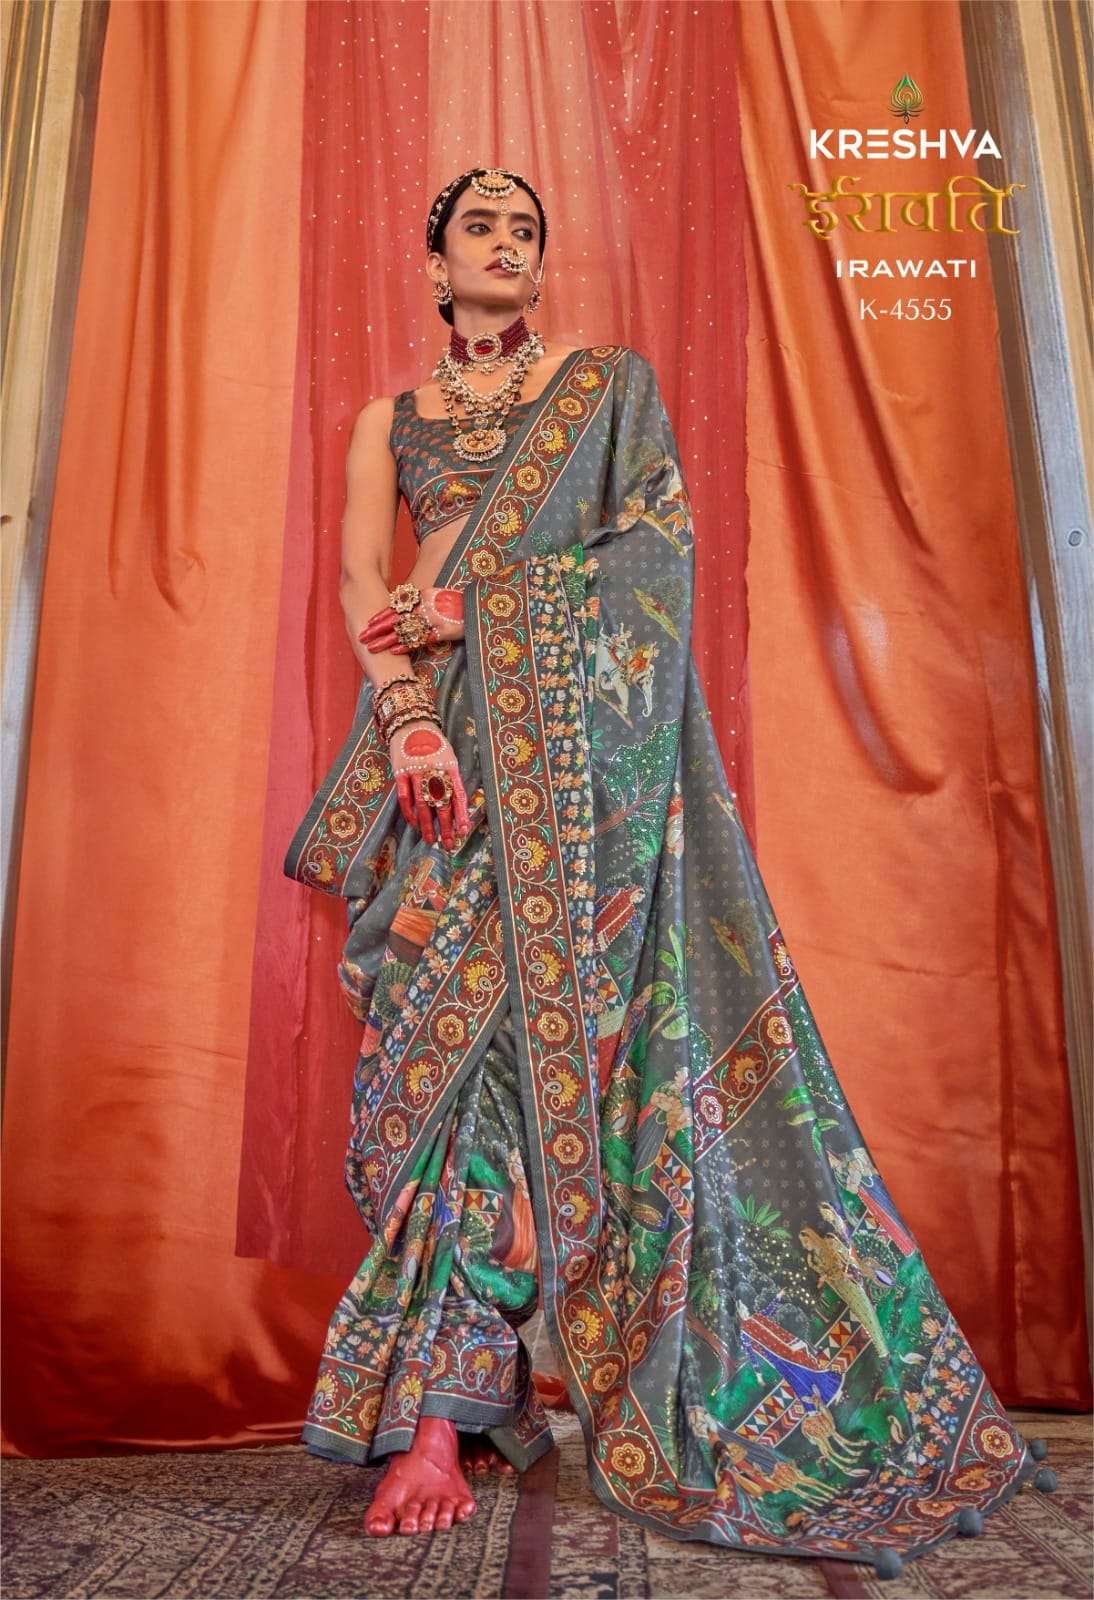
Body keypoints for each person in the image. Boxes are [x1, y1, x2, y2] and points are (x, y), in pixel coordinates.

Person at [283, 167, 1054, 1577]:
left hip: (577, 764)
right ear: (436, 263)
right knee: (423, 1066)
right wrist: (403, 721)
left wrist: (478, 601)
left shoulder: (606, 388)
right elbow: (355, 585)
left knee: (517, 1059)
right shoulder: (387, 421)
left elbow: (654, 556)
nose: (506, 243)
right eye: (480, 228)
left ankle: (436, 1426)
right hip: (439, 752)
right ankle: (461, 1396)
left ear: (540, 263)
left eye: (525, 228)